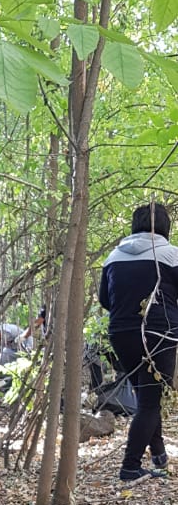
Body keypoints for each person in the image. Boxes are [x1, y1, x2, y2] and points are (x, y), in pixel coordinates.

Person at [99, 202, 178, 481]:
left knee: (146, 397)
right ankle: (130, 467)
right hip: (159, 333)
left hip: (121, 333)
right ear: (166, 227)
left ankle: (159, 456)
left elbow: (105, 300)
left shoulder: (113, 257)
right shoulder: (171, 255)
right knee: (150, 401)